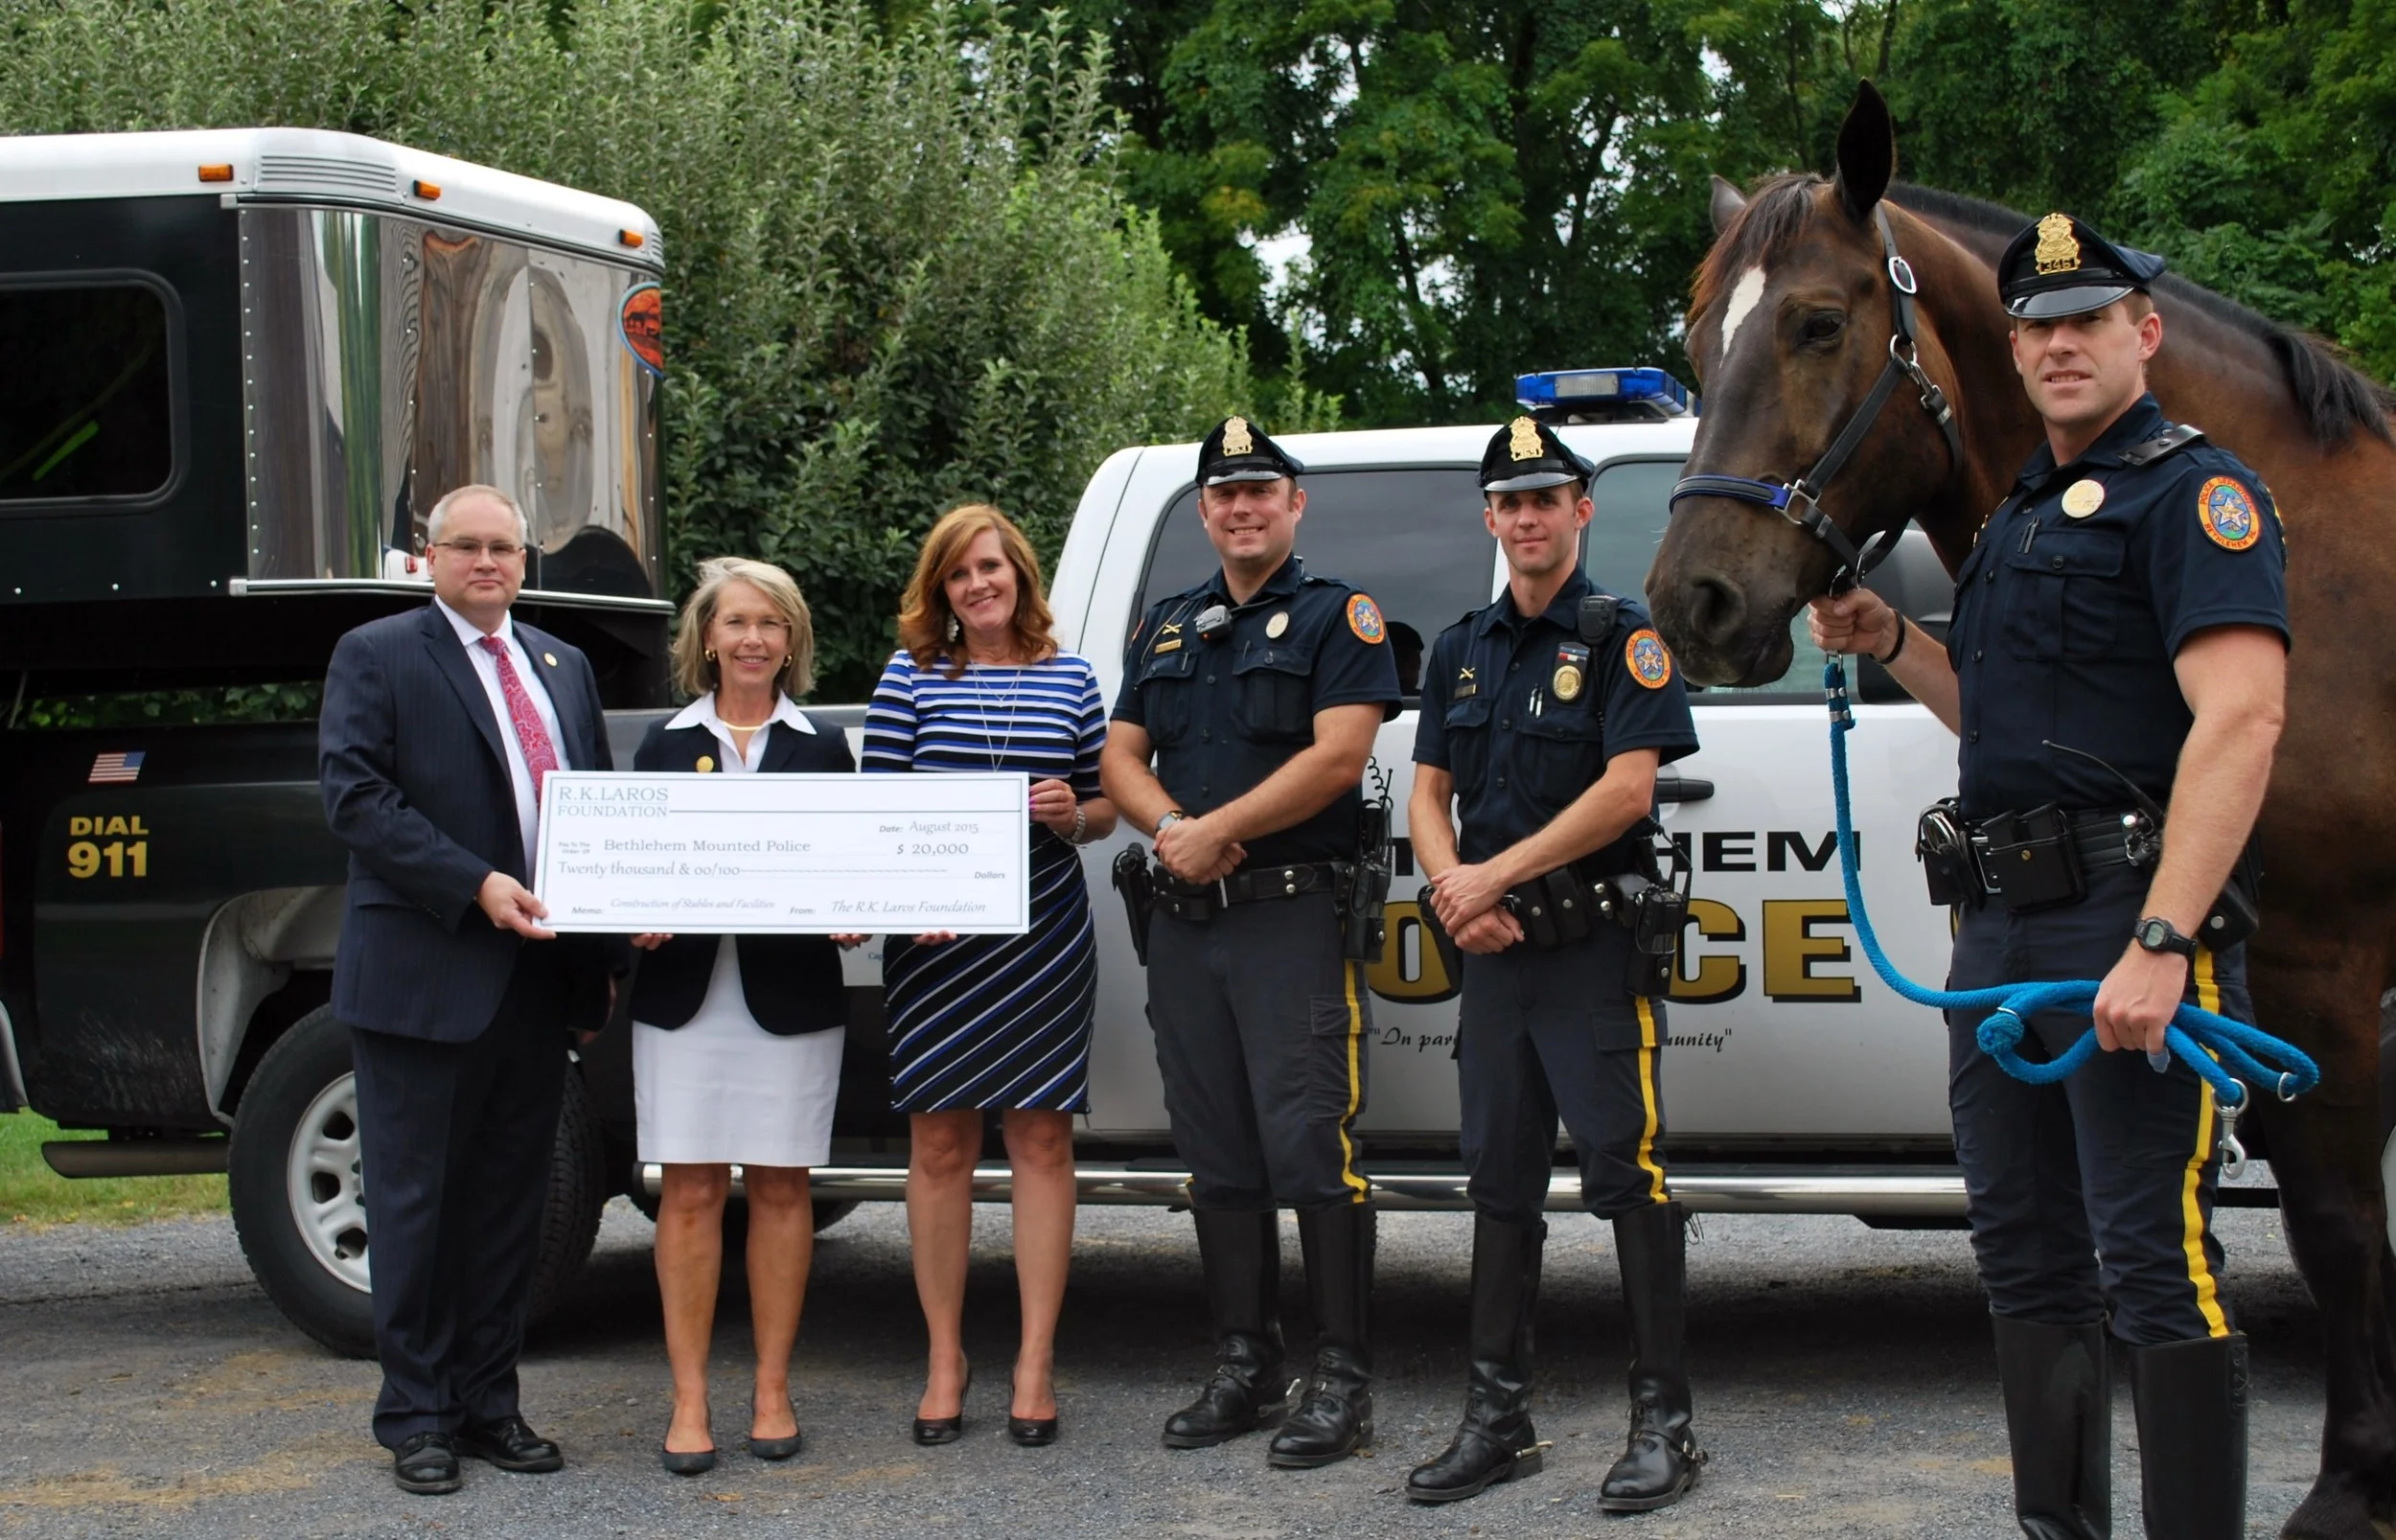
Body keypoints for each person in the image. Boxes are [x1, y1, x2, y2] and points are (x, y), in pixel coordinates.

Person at [1810, 214, 2288, 1540]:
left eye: (2088, 322)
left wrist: (2164, 938)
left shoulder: (2196, 496)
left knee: (2152, 1256)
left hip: (2125, 917)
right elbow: (1996, 718)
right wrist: (1891, 637)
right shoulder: (2015, 514)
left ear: (2145, 334)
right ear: (2013, 352)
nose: (2061, 346)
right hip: (2000, 934)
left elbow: (2243, 718)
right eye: (2038, 327)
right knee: (2022, 1251)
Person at [1405, 417, 1705, 1512]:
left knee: (1625, 1173)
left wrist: (1491, 875)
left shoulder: (1623, 637)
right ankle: (1497, 1420)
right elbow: (1426, 794)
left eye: (1545, 498)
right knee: (1498, 1179)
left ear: (1581, 509)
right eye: (1509, 502)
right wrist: (1456, 890)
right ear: (1488, 519)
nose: (1526, 517)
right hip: (1492, 959)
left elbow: (1628, 789)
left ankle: (1665, 1424)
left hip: (1590, 953)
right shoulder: (1458, 648)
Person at [1099, 416, 1402, 1469]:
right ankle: (1247, 1361)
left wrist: (1216, 827)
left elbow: (1339, 756)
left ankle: (1341, 1379)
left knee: (1311, 1146)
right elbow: (1119, 756)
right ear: (1204, 511)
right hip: (1187, 926)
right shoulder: (1168, 626)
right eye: (1224, 493)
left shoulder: (1338, 617)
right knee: (1215, 1148)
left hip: (1289, 917)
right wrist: (1172, 830)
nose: (1241, 507)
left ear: (1293, 503)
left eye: (1260, 490)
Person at [318, 484, 619, 1495]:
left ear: (524, 562)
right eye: (468, 546)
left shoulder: (562, 665)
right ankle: (417, 1415)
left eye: (504, 548)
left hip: (535, 981)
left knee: (508, 1209)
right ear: (431, 556)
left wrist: (604, 954)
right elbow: (357, 798)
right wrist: (474, 883)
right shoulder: (377, 653)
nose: (488, 562)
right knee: (416, 1206)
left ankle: (491, 1404)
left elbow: (593, 811)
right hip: (425, 973)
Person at [862, 505, 1117, 1448]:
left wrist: (1070, 813)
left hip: (1042, 933)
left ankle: (1034, 1360)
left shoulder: (1071, 677)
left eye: (992, 568)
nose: (978, 585)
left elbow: (1105, 807)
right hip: (936, 942)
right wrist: (905, 895)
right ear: (942, 590)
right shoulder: (910, 676)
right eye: (960, 573)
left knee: (1042, 1137)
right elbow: (876, 810)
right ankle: (944, 1357)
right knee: (939, 1145)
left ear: (1020, 576)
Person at [627, 558, 858, 1475]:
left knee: (781, 1188)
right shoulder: (662, 743)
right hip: (683, 999)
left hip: (790, 998)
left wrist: (854, 908)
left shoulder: (823, 747)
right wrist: (633, 913)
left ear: (791, 639)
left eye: (770, 622)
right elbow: (630, 866)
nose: (753, 638)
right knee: (686, 1191)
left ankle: (771, 1388)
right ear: (707, 639)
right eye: (736, 622)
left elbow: (850, 867)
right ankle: (688, 1398)